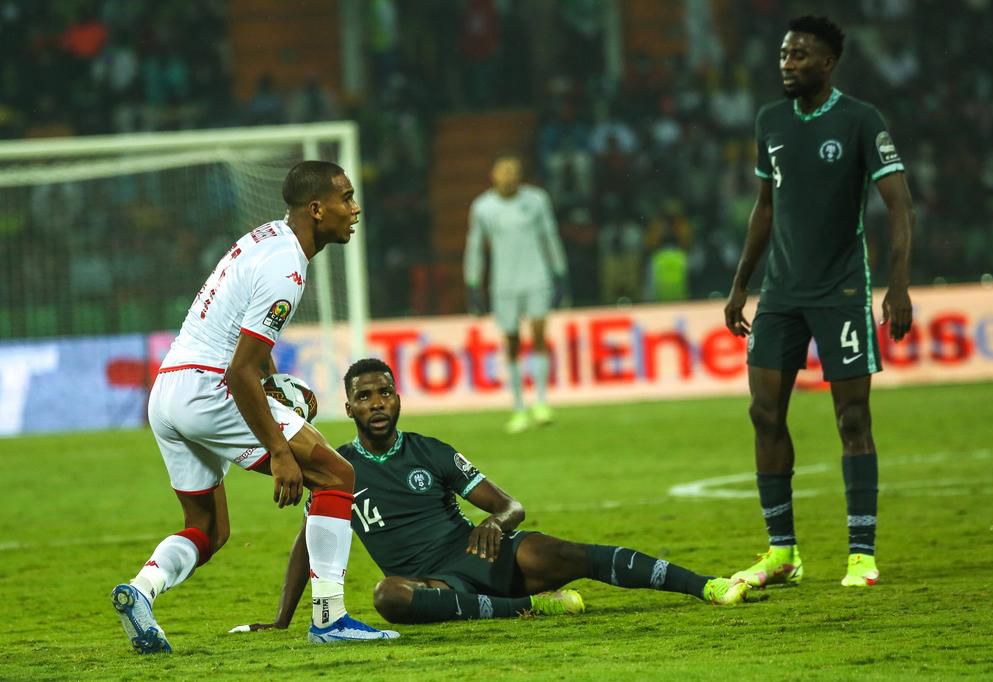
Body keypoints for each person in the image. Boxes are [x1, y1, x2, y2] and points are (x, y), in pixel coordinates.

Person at [229, 358, 760, 632]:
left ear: (398, 397)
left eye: (384, 392)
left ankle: (707, 586)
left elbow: (510, 506)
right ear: (348, 408)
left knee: (575, 554)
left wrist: (496, 525)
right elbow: (309, 542)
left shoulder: (431, 451)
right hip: (431, 584)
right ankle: (526, 609)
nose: (377, 403)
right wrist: (282, 618)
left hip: (482, 555)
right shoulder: (337, 468)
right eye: (364, 396)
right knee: (388, 596)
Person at [110, 161, 398, 654]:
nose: (354, 209)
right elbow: (239, 371)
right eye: (345, 199)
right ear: (316, 208)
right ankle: (330, 618)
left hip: (169, 391)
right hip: (210, 389)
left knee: (208, 528)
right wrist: (280, 451)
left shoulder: (265, 237)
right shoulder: (288, 269)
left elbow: (243, 338)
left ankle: (141, 591)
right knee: (337, 474)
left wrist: (271, 378)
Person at [723, 16, 914, 589]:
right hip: (781, 293)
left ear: (827, 63)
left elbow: (900, 205)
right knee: (763, 413)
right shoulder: (770, 120)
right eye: (784, 54)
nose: (787, 63)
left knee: (852, 417)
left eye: (800, 55)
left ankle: (860, 555)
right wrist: (740, 283)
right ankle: (783, 553)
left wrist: (899, 285)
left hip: (842, 291)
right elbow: (765, 206)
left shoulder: (860, 120)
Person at [464, 153, 568, 434]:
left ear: (520, 175)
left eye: (513, 171)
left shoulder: (536, 200)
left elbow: (550, 236)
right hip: (504, 284)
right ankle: (519, 408)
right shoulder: (483, 207)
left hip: (537, 278)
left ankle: (542, 403)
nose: (508, 176)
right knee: (511, 342)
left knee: (538, 335)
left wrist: (560, 273)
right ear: (493, 175)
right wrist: (473, 283)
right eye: (503, 171)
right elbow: (476, 246)